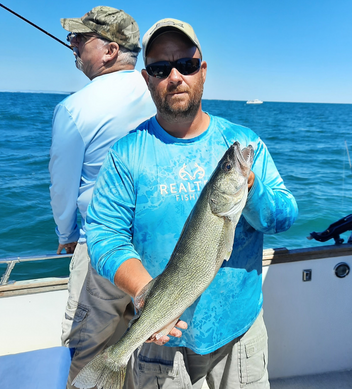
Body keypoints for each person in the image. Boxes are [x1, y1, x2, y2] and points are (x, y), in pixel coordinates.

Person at [85, 18, 298, 388]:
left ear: (202, 72)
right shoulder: (126, 154)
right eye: (160, 68)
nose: (174, 76)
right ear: (147, 78)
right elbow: (103, 235)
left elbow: (283, 216)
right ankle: (114, 360)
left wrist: (251, 187)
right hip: (160, 345)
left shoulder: (243, 140)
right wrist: (143, 292)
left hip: (239, 335)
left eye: (185, 65)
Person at [48, 6, 156, 388]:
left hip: (102, 249)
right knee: (148, 348)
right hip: (157, 247)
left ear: (110, 51)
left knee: (87, 349)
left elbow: (63, 187)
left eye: (80, 38)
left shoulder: (74, 108)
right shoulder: (163, 92)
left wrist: (65, 235)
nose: (72, 44)